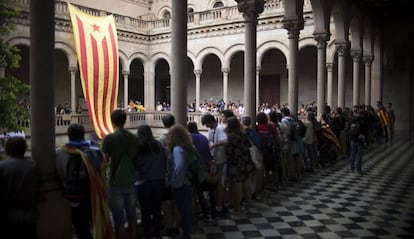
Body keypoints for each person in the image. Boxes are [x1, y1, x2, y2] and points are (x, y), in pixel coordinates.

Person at [56, 123, 112, 239]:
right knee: (98, 225)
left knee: (82, 230)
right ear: (83, 135)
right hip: (95, 196)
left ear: (69, 135)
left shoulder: (62, 153)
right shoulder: (95, 150)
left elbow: (60, 174)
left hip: (75, 198)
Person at [102, 109, 138, 239]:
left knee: (118, 219)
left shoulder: (109, 138)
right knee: (132, 215)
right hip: (131, 179)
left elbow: (105, 160)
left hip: (115, 181)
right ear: (125, 120)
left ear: (112, 122)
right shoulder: (134, 138)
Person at [0, 136, 37, 238]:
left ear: (8, 148)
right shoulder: (32, 165)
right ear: (24, 148)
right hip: (30, 216)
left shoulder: (2, 166)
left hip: (8, 217)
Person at [136, 124, 167, 239]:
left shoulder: (139, 146)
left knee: (145, 211)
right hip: (159, 182)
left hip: (144, 183)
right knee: (157, 209)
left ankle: (147, 234)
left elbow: (136, 164)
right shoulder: (158, 145)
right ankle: (157, 233)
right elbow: (165, 160)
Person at [166, 125, 194, 239]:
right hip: (188, 183)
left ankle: (186, 235)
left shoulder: (177, 149)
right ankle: (186, 233)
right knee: (186, 210)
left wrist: (175, 182)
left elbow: (180, 166)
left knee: (183, 210)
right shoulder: (187, 147)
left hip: (182, 184)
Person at [225, 117, 256, 214]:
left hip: (235, 163)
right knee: (246, 185)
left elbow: (229, 151)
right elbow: (248, 147)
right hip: (245, 162)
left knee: (237, 187)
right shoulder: (243, 135)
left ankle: (237, 208)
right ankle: (248, 206)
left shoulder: (230, 137)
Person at [187, 121, 217, 220]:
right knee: (211, 189)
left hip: (200, 168)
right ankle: (213, 211)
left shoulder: (190, 138)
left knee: (199, 191)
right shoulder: (203, 137)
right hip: (209, 166)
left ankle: (204, 213)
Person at [158, 113, 180, 237]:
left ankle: (169, 225)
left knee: (166, 202)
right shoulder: (181, 136)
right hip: (180, 173)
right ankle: (176, 224)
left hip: (167, 173)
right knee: (176, 200)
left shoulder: (162, 138)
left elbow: (161, 157)